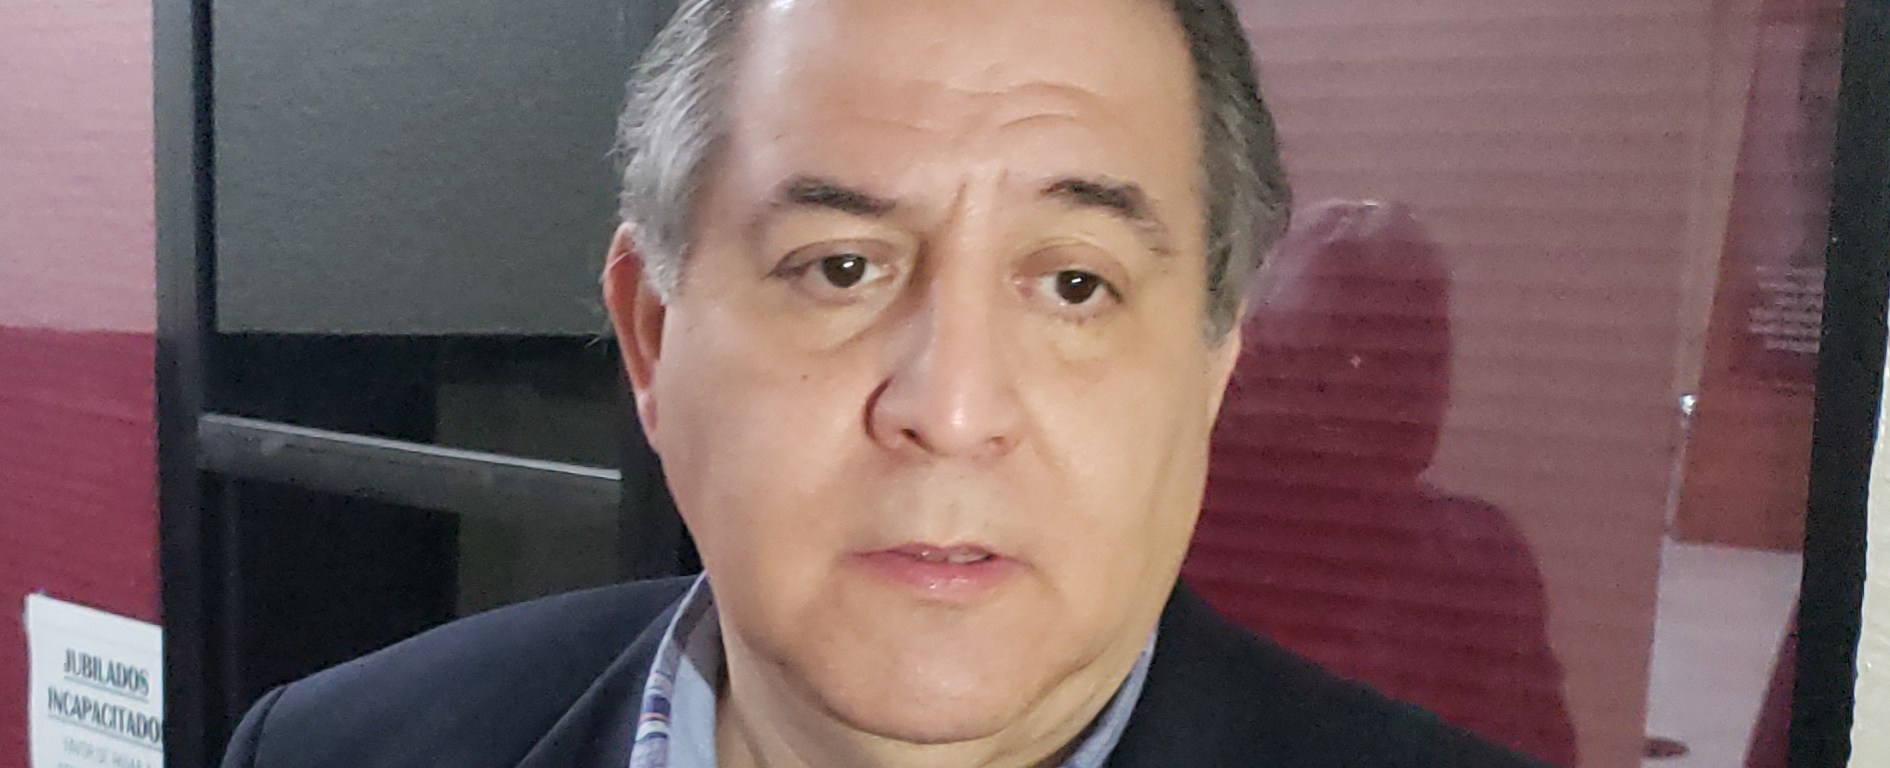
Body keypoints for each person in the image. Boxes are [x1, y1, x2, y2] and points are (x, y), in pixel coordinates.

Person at [218, 1, 1550, 766]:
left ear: (1212, 368)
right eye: (841, 268)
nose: (952, 410)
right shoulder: (334, 751)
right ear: (652, 338)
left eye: (1073, 284)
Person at [1183, 200, 1579, 765]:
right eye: (1345, 359)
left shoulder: (1483, 561)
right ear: (1259, 364)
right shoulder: (1185, 550)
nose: (1407, 392)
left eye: (1423, 354)